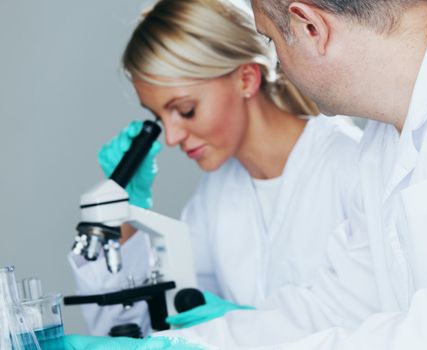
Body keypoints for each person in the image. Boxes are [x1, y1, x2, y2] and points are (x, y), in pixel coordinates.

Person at [147, 0, 427, 348]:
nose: (277, 65)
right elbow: (335, 305)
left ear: (311, 26)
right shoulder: (383, 140)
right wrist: (192, 344)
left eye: (272, 39)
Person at [67, 0, 368, 341]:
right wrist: (123, 218)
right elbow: (147, 329)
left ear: (246, 79)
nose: (171, 136)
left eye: (185, 109)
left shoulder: (350, 164)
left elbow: (377, 323)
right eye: (159, 117)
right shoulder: (215, 196)